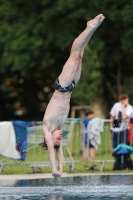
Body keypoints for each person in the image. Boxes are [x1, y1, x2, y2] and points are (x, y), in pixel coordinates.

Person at [42, 14, 105, 177]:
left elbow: (52, 150)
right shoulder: (60, 127)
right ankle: (93, 28)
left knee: (74, 54)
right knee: (80, 55)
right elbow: (59, 151)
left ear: (49, 138)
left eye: (57, 139)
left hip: (62, 86)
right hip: (71, 87)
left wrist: (54, 170)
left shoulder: (47, 127)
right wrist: (62, 169)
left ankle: (89, 27)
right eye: (59, 140)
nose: (59, 138)